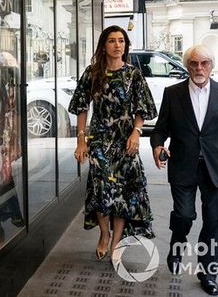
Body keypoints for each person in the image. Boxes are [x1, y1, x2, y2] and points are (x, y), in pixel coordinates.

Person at [151, 45, 218, 296]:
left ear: (211, 66)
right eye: (194, 63)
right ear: (187, 66)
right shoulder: (173, 94)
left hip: (216, 167)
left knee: (214, 223)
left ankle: (208, 273)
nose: (199, 68)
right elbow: (161, 128)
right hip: (183, 165)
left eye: (204, 63)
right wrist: (158, 145)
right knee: (184, 216)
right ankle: (177, 243)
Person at [68, 25, 157, 260]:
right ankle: (104, 234)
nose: (117, 45)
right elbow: (81, 106)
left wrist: (136, 133)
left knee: (123, 192)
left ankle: (116, 242)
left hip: (126, 141)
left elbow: (143, 107)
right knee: (101, 189)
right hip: (99, 140)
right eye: (112, 41)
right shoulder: (92, 73)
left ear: (126, 45)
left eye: (121, 41)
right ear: (103, 46)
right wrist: (81, 140)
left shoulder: (133, 74)